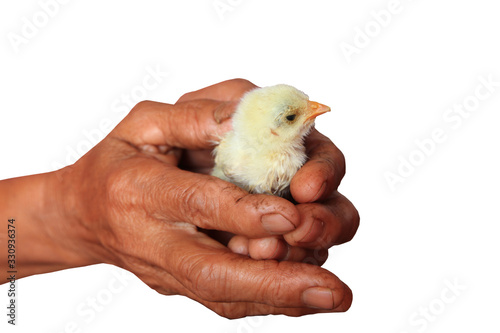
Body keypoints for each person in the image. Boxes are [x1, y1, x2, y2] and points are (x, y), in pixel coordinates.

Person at [0, 79, 359, 318]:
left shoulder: (284, 151)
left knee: (294, 216)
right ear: (269, 129)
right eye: (295, 115)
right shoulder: (240, 153)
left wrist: (78, 208)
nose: (315, 109)